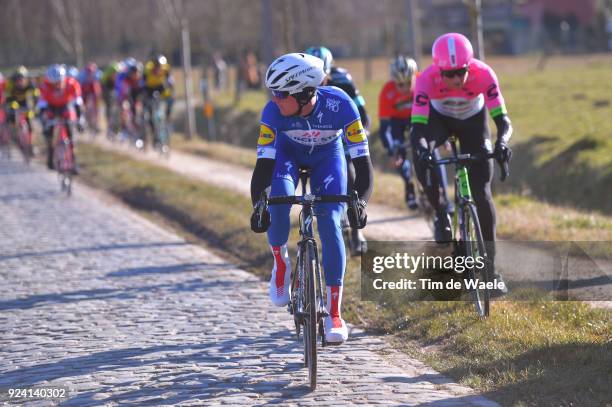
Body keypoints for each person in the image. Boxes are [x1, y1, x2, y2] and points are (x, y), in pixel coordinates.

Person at [250, 53, 373, 343]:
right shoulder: (272, 113)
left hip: (327, 158)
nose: (275, 99)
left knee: (330, 221)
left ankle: (334, 313)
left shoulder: (341, 105)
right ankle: (281, 263)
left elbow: (363, 162)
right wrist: (258, 203)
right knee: (279, 198)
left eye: (281, 94)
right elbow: (263, 167)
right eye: (272, 93)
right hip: (287, 155)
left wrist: (361, 202)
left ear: (305, 93)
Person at [410, 33, 512, 291]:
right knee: (422, 158)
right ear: (439, 69)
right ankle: (441, 210)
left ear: (470, 65)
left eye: (462, 72)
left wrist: (502, 143)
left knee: (482, 193)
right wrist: (423, 152)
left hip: (473, 124)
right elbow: (418, 130)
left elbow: (503, 121)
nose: (456, 78)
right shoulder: (425, 79)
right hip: (439, 121)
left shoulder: (484, 74)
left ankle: (491, 270)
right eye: (450, 73)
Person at [305, 45, 369, 255]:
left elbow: (360, 110)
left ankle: (356, 230)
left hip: (341, 136)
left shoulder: (343, 80)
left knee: (350, 171)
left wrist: (362, 131)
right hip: (314, 139)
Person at [37, 64, 84, 171]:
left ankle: (73, 161)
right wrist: (44, 122)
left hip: (65, 105)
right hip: (51, 107)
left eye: (59, 82)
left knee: (71, 133)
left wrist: (80, 119)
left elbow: (78, 103)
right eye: (54, 83)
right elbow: (42, 106)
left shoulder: (72, 83)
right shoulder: (45, 86)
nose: (57, 85)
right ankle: (50, 154)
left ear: (64, 78)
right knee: (48, 130)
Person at [143, 54, 174, 145]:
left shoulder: (166, 68)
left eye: (160, 67)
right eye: (157, 67)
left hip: (160, 87)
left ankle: (167, 118)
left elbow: (170, 80)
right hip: (149, 88)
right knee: (150, 112)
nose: (159, 69)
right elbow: (143, 82)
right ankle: (153, 133)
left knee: (170, 99)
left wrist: (170, 89)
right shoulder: (148, 69)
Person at [5, 66, 38, 139]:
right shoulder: (10, 84)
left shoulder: (30, 82)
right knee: (12, 114)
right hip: (14, 100)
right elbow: (7, 96)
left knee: (29, 116)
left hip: (24, 101)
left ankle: (30, 139)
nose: (20, 82)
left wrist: (34, 107)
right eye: (17, 79)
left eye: (22, 79)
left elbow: (36, 95)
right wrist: (9, 108)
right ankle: (13, 132)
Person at [79, 62, 102, 131]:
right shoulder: (83, 80)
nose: (90, 75)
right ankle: (86, 124)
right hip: (86, 97)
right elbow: (82, 92)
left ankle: (95, 125)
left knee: (96, 111)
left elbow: (97, 92)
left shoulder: (95, 81)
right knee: (85, 110)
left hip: (93, 97)